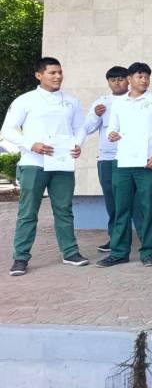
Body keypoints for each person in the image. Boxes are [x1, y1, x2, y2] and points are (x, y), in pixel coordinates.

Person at [3, 57, 88, 276]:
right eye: (52, 73)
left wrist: (77, 144)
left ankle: (70, 252)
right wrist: (31, 144)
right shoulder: (25, 100)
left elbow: (80, 127)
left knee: (64, 210)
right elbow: (8, 130)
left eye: (60, 72)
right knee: (28, 212)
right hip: (33, 164)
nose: (58, 76)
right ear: (39, 75)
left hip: (62, 165)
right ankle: (20, 258)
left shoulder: (71, 102)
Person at [96, 62, 152, 268]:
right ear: (129, 79)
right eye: (139, 76)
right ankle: (119, 252)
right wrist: (112, 134)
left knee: (148, 208)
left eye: (147, 77)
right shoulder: (119, 103)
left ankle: (149, 252)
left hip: (148, 163)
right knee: (121, 208)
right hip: (123, 162)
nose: (144, 80)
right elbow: (113, 128)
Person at [84, 66, 144, 253]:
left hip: (132, 157)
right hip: (107, 159)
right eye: (112, 80)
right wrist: (95, 115)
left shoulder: (138, 100)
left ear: (128, 80)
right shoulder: (101, 102)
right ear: (108, 82)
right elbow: (87, 128)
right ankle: (115, 239)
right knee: (112, 202)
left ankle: (147, 238)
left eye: (120, 79)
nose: (117, 83)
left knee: (137, 200)